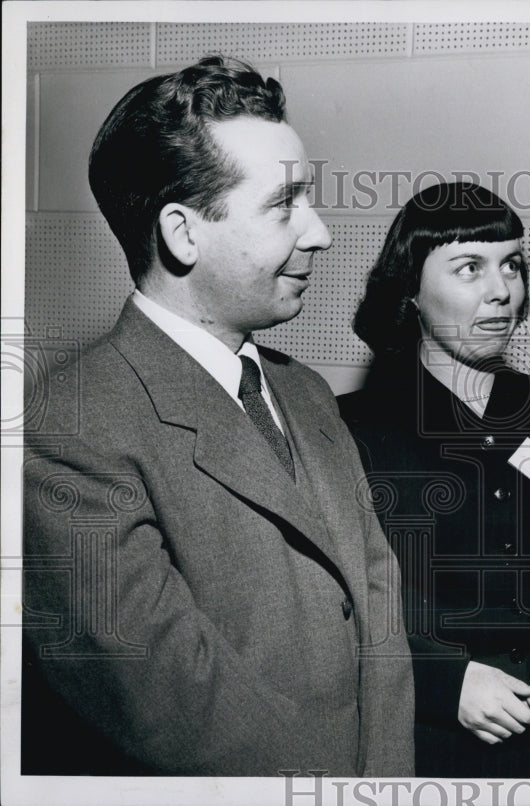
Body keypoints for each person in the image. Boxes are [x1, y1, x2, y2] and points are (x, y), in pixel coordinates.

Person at [21, 56, 414, 776]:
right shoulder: (70, 427)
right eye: (284, 204)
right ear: (182, 233)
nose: (320, 232)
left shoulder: (307, 395)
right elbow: (173, 703)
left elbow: (379, 613)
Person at [338, 181, 530, 778]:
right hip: (423, 751)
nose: (501, 292)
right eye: (469, 267)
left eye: (512, 265)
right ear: (410, 290)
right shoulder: (351, 427)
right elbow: (345, 599)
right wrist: (445, 683)